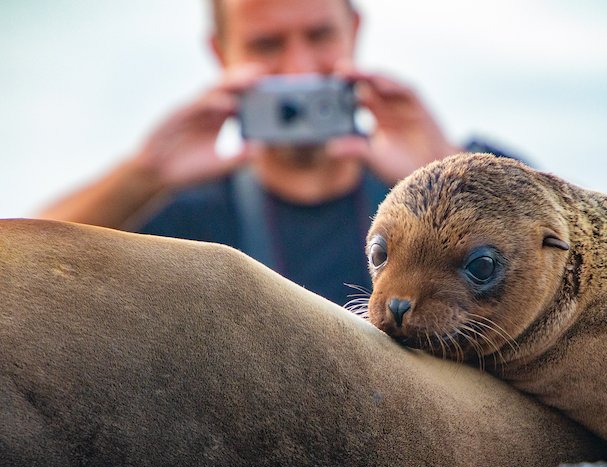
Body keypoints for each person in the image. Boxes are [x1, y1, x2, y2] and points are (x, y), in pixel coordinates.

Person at [39, 0, 512, 306]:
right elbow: (21, 272)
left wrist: (449, 179)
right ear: (221, 53)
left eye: (319, 35)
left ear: (354, 30)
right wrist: (143, 176)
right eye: (267, 44)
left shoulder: (479, 171)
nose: (299, 69)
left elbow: (578, 276)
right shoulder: (181, 212)